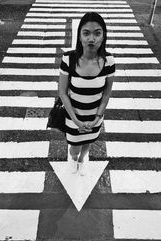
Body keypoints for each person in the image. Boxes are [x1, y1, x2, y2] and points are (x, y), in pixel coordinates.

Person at [58, 12, 115, 176]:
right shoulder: (68, 59)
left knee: (88, 142)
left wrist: (97, 118)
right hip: (73, 117)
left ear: (103, 36)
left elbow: (106, 94)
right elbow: (62, 93)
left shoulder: (109, 61)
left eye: (97, 33)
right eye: (86, 33)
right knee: (74, 147)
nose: (92, 38)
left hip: (95, 117)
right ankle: (73, 159)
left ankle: (83, 160)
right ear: (80, 36)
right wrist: (76, 120)